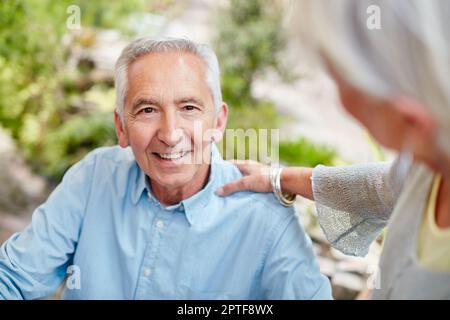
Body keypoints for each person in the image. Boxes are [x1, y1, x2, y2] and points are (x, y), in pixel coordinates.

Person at [0, 37, 331, 299]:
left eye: (189, 107)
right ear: (121, 127)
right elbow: (13, 279)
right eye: (147, 110)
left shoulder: (266, 217)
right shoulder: (94, 177)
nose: (170, 135)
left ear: (218, 121)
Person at [216, 0, 450, 299]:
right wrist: (279, 178)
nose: (341, 102)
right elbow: (380, 186)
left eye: (341, 82)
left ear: (409, 116)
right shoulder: (426, 164)